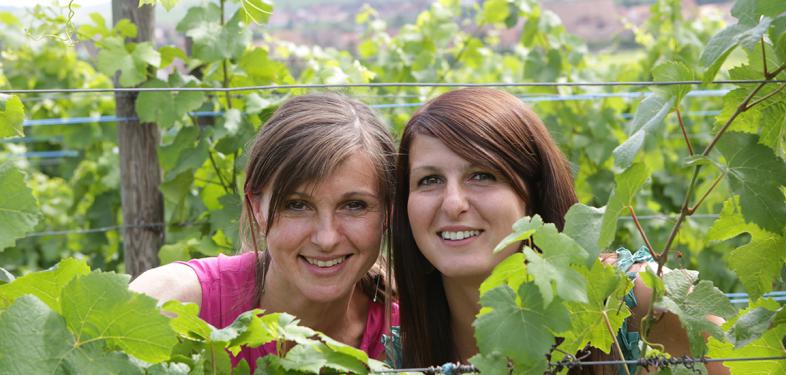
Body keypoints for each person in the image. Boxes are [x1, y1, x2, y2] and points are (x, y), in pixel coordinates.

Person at [389, 88, 725, 374]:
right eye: (429, 180)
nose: (453, 203)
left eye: (482, 175)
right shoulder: (400, 355)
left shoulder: (641, 306)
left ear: (534, 194)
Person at [130, 92, 399, 369]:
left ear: (389, 211)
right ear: (257, 207)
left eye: (354, 205)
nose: (327, 238)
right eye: (297, 205)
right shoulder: (172, 304)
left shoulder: (408, 339)